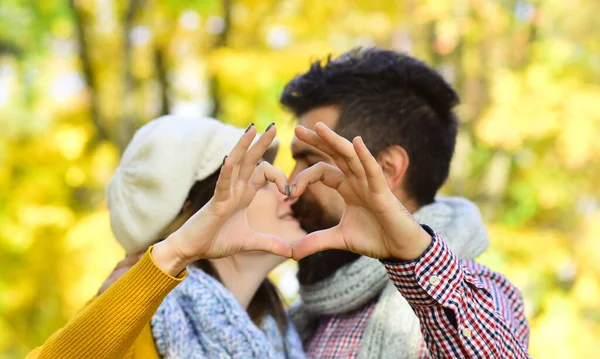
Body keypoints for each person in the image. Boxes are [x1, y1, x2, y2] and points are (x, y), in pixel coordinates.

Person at [280, 48, 532, 358]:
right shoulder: (302, 318)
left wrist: (415, 255)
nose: (290, 184)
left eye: (311, 162)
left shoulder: (474, 299)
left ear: (386, 169)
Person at [26, 116, 307, 359]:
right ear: (197, 209)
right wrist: (175, 253)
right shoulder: (124, 327)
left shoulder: (287, 338)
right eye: (257, 177)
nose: (284, 185)